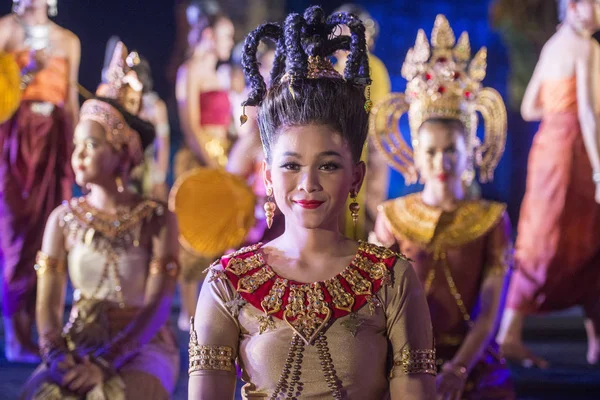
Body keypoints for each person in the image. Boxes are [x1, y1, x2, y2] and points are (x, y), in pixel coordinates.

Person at [188, 6, 436, 399]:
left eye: (329, 165)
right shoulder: (227, 282)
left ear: (356, 177)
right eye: (290, 165)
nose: (308, 184)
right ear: (268, 177)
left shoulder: (392, 279)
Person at [20, 42, 180, 400]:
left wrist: (105, 364)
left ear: (123, 152)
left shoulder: (157, 219)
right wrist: (57, 356)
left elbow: (156, 309)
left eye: (92, 145)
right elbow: (47, 309)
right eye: (77, 144)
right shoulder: (62, 220)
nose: (78, 155)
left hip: (144, 346)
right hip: (79, 342)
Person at [371, 15, 514, 399]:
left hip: (473, 363)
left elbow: (488, 314)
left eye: (452, 150)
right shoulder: (392, 218)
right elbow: (379, 308)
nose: (441, 161)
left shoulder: (491, 220)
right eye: (431, 151)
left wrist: (458, 369)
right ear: (415, 153)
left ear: (470, 150)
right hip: (400, 361)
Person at [497, 0, 600, 367]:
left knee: (544, 235)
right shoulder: (587, 47)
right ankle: (593, 341)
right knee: (579, 238)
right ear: (573, 6)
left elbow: (529, 108)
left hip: (547, 147)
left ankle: (512, 330)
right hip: (574, 152)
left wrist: (558, 113)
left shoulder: (554, 45)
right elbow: (589, 113)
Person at [0, 0, 80, 362]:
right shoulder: (6, 30)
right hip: (16, 142)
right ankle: (15, 338)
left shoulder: (68, 40)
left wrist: (80, 151)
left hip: (54, 143)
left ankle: (45, 333)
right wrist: (27, 73)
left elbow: (72, 100)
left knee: (51, 237)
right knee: (16, 237)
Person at [174, 0, 235, 330]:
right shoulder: (191, 70)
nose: (230, 41)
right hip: (199, 159)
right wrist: (211, 161)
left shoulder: (221, 73)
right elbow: (191, 124)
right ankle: (188, 311)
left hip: (222, 156)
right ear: (209, 35)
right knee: (193, 233)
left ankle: (216, 307)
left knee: (222, 233)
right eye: (226, 34)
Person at [333, 3, 392, 240]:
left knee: (362, 224)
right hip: (334, 153)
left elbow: (376, 119)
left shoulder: (373, 69)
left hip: (364, 154)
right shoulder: (332, 70)